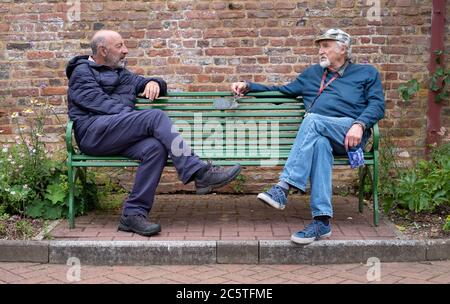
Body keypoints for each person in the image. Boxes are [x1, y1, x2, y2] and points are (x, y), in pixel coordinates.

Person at [66, 30, 241, 237]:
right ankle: (199, 172)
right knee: (154, 117)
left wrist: (154, 83)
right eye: (120, 46)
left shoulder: (121, 74)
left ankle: (132, 214)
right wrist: (135, 119)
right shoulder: (82, 72)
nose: (125, 50)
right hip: (92, 134)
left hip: (116, 134)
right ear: (103, 50)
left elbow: (152, 83)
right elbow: (100, 103)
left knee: (155, 148)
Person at [231, 28, 385, 244]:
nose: (320, 51)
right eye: (319, 47)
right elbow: (281, 91)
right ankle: (322, 222)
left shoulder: (366, 73)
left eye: (326, 46)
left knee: (312, 119)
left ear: (343, 49)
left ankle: (284, 187)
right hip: (323, 135)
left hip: (350, 134)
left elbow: (378, 105)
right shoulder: (312, 74)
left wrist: (360, 124)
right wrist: (248, 86)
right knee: (320, 144)